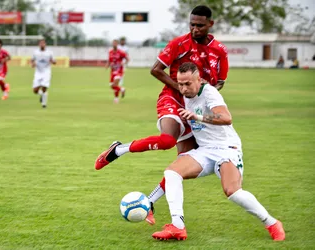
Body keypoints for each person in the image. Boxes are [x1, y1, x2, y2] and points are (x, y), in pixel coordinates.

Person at [95, 5, 229, 224]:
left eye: (200, 25)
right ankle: (119, 149)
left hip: (194, 106)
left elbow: (220, 82)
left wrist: (205, 95)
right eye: (192, 24)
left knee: (181, 164)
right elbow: (156, 69)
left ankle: (148, 203)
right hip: (172, 98)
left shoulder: (220, 51)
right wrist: (180, 87)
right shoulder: (179, 44)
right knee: (167, 141)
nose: (195, 29)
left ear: (210, 24)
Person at [151, 62, 285, 241]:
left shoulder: (209, 93)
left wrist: (198, 116)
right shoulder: (185, 93)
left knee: (233, 191)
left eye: (187, 84)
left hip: (227, 149)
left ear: (198, 79)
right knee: (172, 173)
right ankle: (178, 226)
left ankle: (272, 223)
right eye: (180, 84)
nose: (183, 88)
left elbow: (226, 117)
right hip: (205, 151)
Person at [31, 39, 56, 108]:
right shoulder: (35, 52)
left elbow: (54, 61)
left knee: (44, 87)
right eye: (40, 43)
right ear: (39, 44)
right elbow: (32, 60)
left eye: (43, 43)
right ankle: (42, 94)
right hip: (38, 72)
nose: (42, 44)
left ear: (45, 44)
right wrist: (33, 64)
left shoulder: (49, 52)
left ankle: (44, 104)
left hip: (46, 72)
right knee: (35, 90)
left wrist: (52, 61)